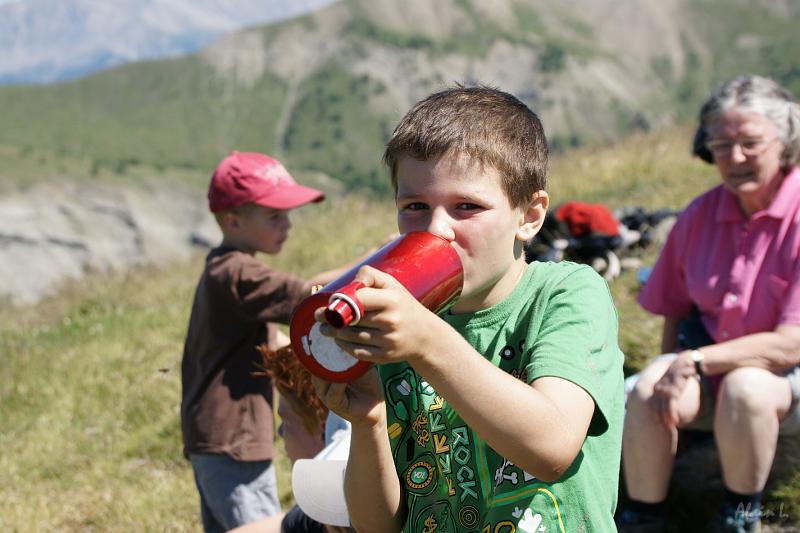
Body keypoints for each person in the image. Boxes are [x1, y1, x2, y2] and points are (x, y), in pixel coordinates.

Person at [307, 86, 625, 532]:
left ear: (529, 216)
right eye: (415, 207)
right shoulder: (404, 322)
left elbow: (552, 446)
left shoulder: (565, 293)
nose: (437, 229)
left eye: (467, 207)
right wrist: (369, 421)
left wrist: (427, 343)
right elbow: (378, 526)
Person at [617, 75, 800, 533]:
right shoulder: (698, 216)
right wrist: (666, 365)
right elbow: (674, 306)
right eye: (721, 144)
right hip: (710, 362)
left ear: (785, 140)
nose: (735, 158)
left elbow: (791, 344)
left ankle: (740, 515)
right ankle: (644, 514)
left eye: (750, 143)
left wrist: (696, 360)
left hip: (783, 375)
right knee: (645, 387)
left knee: (747, 388)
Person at [181, 151, 350, 533]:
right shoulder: (237, 272)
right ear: (233, 221)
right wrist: (378, 263)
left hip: (212, 436)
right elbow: (307, 299)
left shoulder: (224, 270)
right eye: (274, 216)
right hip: (234, 437)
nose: (287, 225)